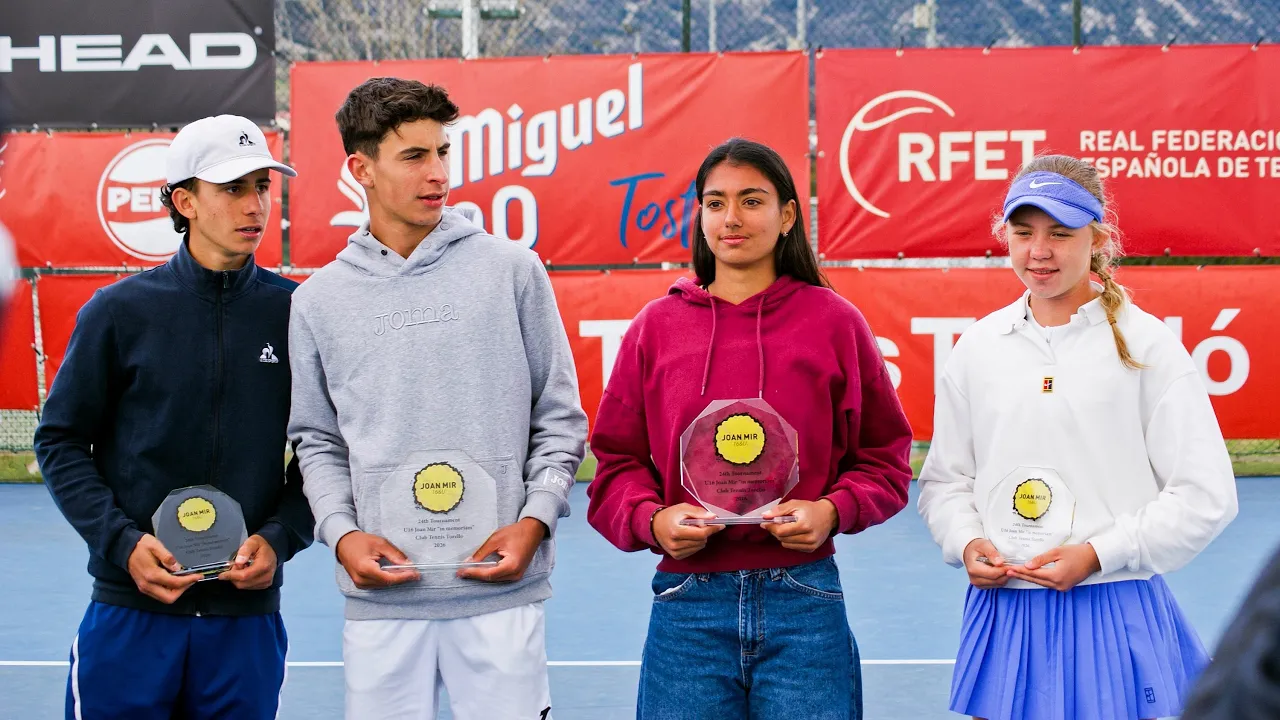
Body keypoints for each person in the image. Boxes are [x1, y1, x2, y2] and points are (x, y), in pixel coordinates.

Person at [288, 77, 587, 720]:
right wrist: (341, 536)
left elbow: (560, 417)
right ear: (360, 169)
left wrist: (534, 521)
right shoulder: (316, 301)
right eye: (415, 156)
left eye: (442, 152)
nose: (439, 174)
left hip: (500, 599)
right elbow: (315, 440)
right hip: (382, 605)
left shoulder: (512, 270)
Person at [586, 137, 913, 719]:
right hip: (688, 607)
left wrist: (832, 511)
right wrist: (653, 520)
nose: (731, 218)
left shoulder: (835, 323)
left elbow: (884, 460)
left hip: (805, 601)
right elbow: (615, 466)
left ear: (788, 215)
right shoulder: (654, 329)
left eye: (752, 200)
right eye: (715, 203)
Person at [916, 154, 1239, 720]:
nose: (1040, 251)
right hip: (1006, 610)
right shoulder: (978, 347)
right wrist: (967, 542)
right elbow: (946, 481)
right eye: (1024, 233)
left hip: (1113, 604)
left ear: (1098, 238)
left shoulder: (1148, 346)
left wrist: (1097, 554)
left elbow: (1206, 496)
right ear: (1006, 238)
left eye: (1060, 234)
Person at [33, 114, 313, 719]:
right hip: (130, 613)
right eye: (233, 188)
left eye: (262, 186)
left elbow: (326, 450)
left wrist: (280, 536)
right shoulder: (117, 312)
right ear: (184, 200)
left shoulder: (298, 314)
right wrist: (122, 543)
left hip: (245, 626)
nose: (255, 205)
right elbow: (59, 441)